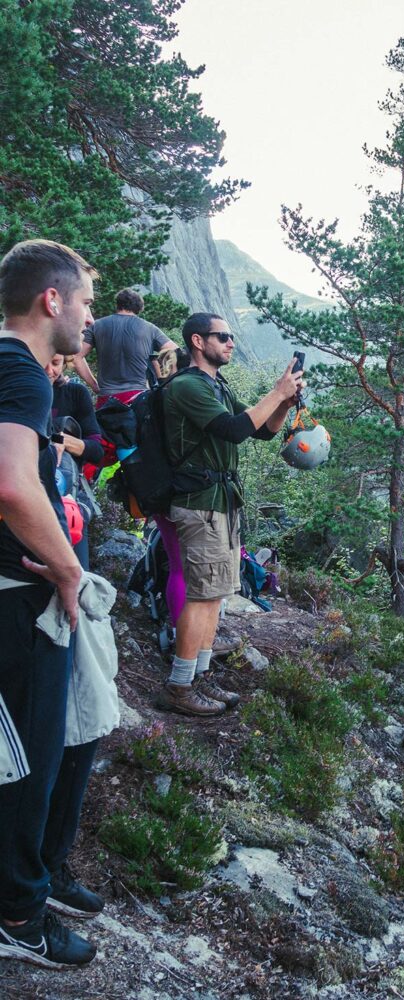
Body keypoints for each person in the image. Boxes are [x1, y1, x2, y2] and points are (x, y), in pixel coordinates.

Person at [0, 239, 100, 969]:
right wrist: (68, 573)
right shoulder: (22, 372)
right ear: (52, 300)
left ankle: (30, 887)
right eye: (86, 302)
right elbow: (10, 484)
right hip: (19, 596)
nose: (89, 318)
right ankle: (18, 918)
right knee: (26, 762)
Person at [155, 312, 303, 716]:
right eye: (223, 336)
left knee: (214, 596)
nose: (231, 342)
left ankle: (199, 677)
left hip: (220, 503)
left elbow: (259, 430)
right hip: (199, 505)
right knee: (201, 598)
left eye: (232, 336)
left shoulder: (214, 385)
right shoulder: (186, 386)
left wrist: (284, 405)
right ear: (198, 342)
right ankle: (179, 686)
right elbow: (232, 430)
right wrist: (276, 390)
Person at [73, 287, 178, 407]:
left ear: (118, 304)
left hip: (107, 399)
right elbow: (175, 352)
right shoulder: (150, 328)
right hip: (139, 398)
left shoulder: (97, 326)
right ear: (139, 308)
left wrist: (95, 386)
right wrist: (164, 384)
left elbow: (76, 357)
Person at [45, 354, 104, 569]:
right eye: (43, 360)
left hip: (67, 496)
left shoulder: (74, 393)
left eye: (56, 363)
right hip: (24, 494)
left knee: (77, 576)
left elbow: (96, 449)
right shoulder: (15, 389)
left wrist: (60, 440)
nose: (49, 369)